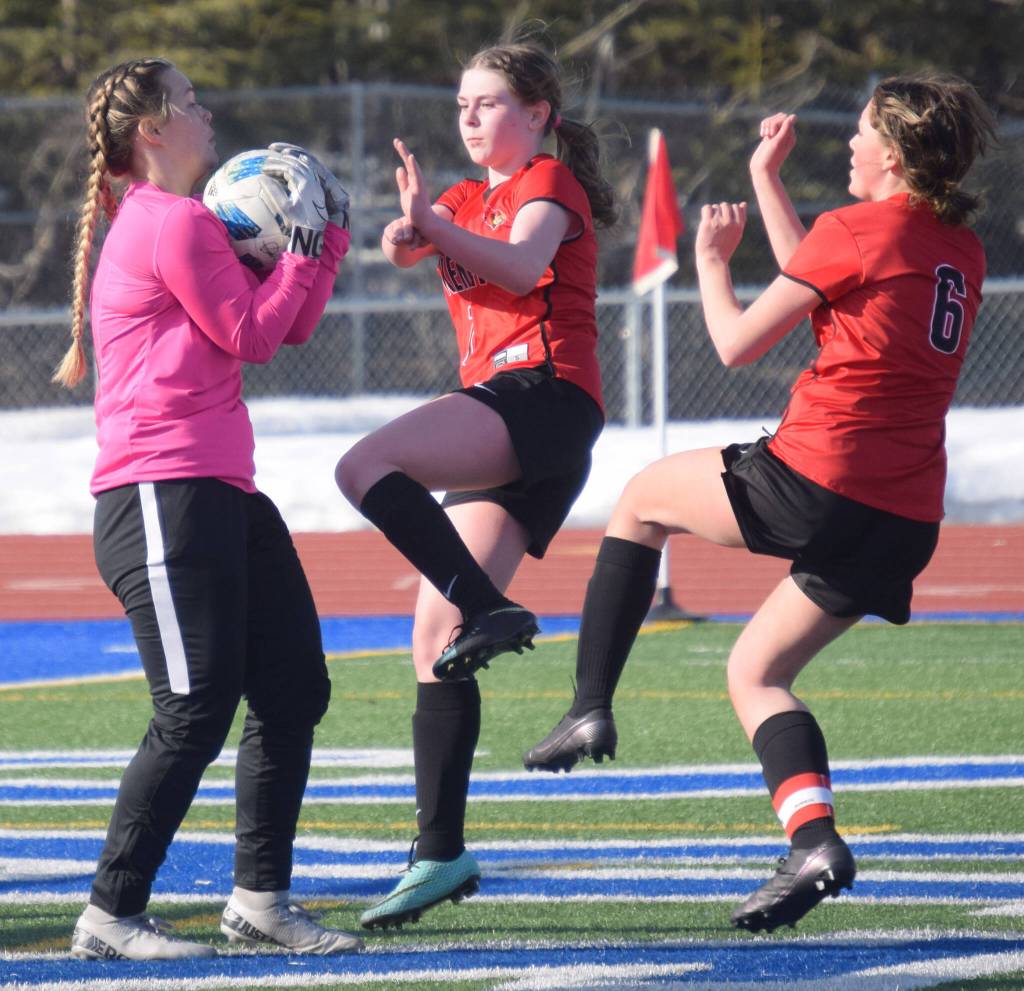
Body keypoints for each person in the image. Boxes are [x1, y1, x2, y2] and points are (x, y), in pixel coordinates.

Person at [523, 73, 996, 933]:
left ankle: (590, 703)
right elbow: (827, 273)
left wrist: (709, 265)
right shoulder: (959, 246)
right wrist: (767, 182)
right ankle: (813, 840)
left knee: (637, 499)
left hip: (821, 474)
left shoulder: (854, 229)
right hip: (904, 512)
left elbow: (739, 342)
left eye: (858, 133)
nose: (847, 145)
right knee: (755, 672)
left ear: (891, 152)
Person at [57, 57, 362, 959]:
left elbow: (288, 321)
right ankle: (110, 914)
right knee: (193, 707)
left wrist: (324, 238)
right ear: (151, 130)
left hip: (218, 489)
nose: (206, 110)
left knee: (293, 686)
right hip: (160, 493)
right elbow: (254, 335)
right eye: (187, 102)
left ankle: (260, 900)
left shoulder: (181, 221)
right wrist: (303, 248)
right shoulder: (170, 220)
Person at [335, 39, 615, 929]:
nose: (469, 116)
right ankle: (441, 851)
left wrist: (434, 228)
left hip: (543, 395)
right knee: (433, 637)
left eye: (489, 102)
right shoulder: (463, 195)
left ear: (539, 115)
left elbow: (524, 265)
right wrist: (405, 230)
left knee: (364, 465)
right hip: (516, 414)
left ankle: (486, 605)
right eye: (462, 103)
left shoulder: (547, 183)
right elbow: (418, 244)